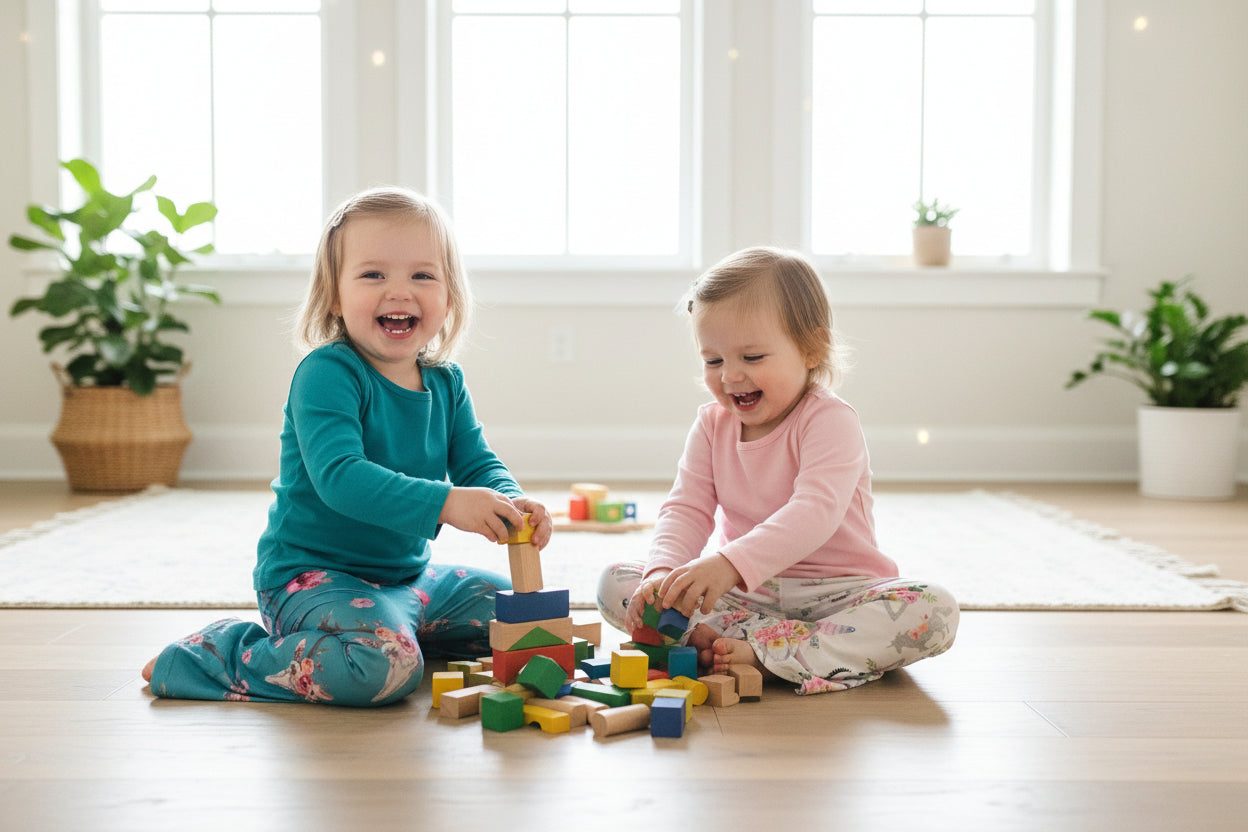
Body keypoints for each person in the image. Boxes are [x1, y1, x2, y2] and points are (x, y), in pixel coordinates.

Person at [142, 187, 551, 706]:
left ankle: (389, 626)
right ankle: (219, 653)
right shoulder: (327, 374)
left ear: (449, 296)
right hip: (310, 578)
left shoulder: (446, 381)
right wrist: (448, 503)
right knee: (387, 668)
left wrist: (509, 499)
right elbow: (342, 477)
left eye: (423, 275)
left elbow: (475, 460)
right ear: (334, 295)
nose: (400, 292)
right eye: (373, 274)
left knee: (521, 611)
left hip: (409, 579)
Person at [596, 246, 958, 695]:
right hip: (748, 598)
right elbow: (686, 507)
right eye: (713, 361)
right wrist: (661, 575)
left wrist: (730, 563)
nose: (729, 376)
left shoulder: (829, 419)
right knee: (617, 581)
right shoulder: (711, 425)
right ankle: (746, 643)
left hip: (838, 595)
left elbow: (814, 512)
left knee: (932, 610)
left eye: (751, 358)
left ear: (811, 350)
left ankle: (771, 654)